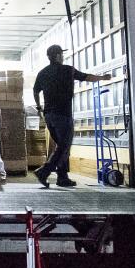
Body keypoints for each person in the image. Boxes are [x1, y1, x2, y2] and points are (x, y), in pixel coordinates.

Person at [33, 44, 111, 188]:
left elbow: (35, 90)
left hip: (49, 116)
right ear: (57, 56)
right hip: (63, 115)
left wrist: (39, 107)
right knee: (64, 147)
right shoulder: (67, 70)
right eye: (61, 54)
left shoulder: (42, 73)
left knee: (62, 147)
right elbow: (86, 77)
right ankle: (44, 171)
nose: (63, 56)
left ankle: (62, 178)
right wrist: (103, 77)